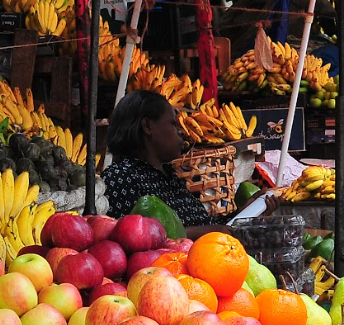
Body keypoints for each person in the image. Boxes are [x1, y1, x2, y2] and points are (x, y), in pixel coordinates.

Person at [103, 90, 277, 238]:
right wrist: (207, 233)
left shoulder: (170, 175)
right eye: (173, 124)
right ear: (148, 126)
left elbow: (206, 225)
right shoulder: (120, 177)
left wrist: (245, 213)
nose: (181, 132)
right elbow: (132, 238)